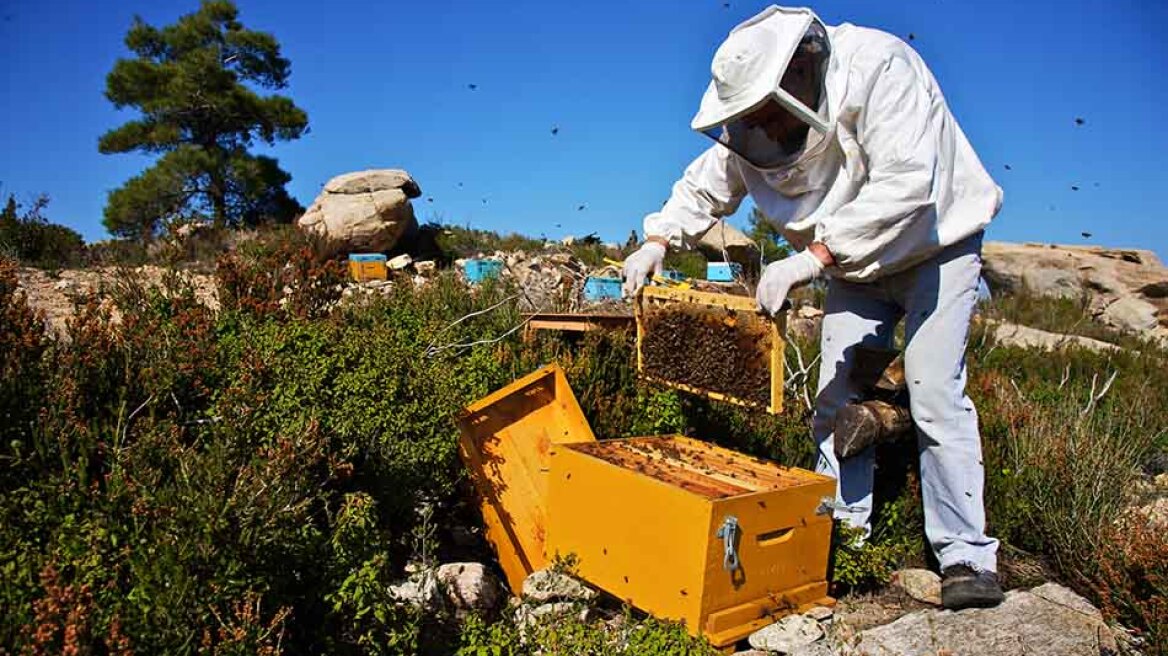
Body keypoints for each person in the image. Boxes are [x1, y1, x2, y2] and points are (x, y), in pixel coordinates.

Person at [621, 5, 1004, 609]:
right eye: (754, 119)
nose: (766, 129)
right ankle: (845, 533)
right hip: (850, 265)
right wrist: (657, 240)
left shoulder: (882, 67)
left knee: (934, 391)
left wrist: (812, 258)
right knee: (835, 398)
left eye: (769, 115)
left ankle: (965, 555)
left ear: (802, 70)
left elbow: (908, 184)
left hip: (936, 243)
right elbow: (706, 184)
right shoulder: (754, 124)